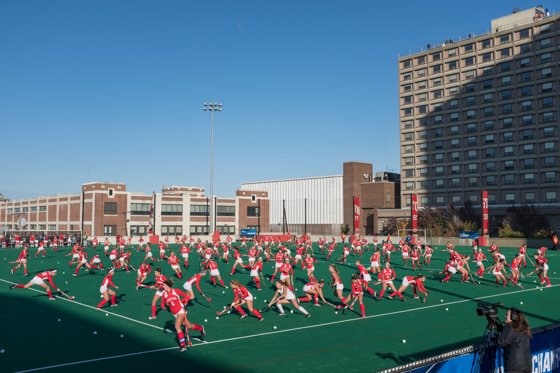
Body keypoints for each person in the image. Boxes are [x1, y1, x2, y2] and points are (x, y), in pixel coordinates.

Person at [497, 307, 532, 373]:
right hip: (527, 368)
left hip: (515, 369)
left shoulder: (510, 326)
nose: (505, 316)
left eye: (507, 315)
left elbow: (501, 342)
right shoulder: (524, 327)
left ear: (513, 317)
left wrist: (493, 337)